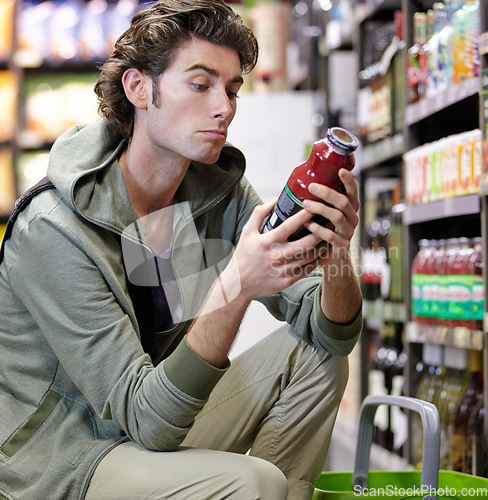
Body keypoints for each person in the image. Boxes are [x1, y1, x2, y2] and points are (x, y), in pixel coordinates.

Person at [0, 1, 363, 499]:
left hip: (156, 429)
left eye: (233, 89)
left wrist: (339, 251)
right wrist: (236, 284)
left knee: (317, 358)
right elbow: (147, 418)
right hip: (66, 462)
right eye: (201, 84)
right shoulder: (54, 229)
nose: (225, 107)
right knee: (253, 483)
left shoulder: (216, 195)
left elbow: (331, 332)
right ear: (139, 88)